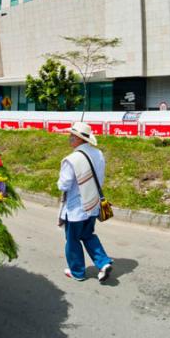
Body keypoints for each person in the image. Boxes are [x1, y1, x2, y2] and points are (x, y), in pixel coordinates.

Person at [57, 121, 113, 283]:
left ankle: (78, 272)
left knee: (73, 239)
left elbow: (64, 184)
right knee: (88, 235)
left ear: (79, 139)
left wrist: (58, 182)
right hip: (93, 204)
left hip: (76, 209)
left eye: (72, 136)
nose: (69, 138)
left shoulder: (71, 160)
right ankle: (103, 262)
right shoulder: (98, 154)